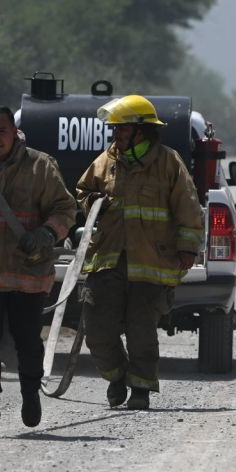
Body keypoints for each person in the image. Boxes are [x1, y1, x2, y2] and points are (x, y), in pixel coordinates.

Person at [76, 94, 204, 410]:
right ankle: (117, 376)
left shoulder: (168, 163)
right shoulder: (106, 162)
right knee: (97, 330)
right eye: (115, 129)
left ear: (142, 130)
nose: (116, 134)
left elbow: (188, 209)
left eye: (122, 128)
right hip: (108, 261)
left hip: (152, 262)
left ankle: (141, 390)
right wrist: (93, 202)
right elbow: (82, 191)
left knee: (141, 330)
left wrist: (187, 248)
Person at [0, 106, 76, 437]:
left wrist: (47, 233)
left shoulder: (41, 166)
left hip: (28, 274)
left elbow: (66, 209)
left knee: (27, 342)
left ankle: (29, 395)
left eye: (1, 132)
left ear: (15, 132)